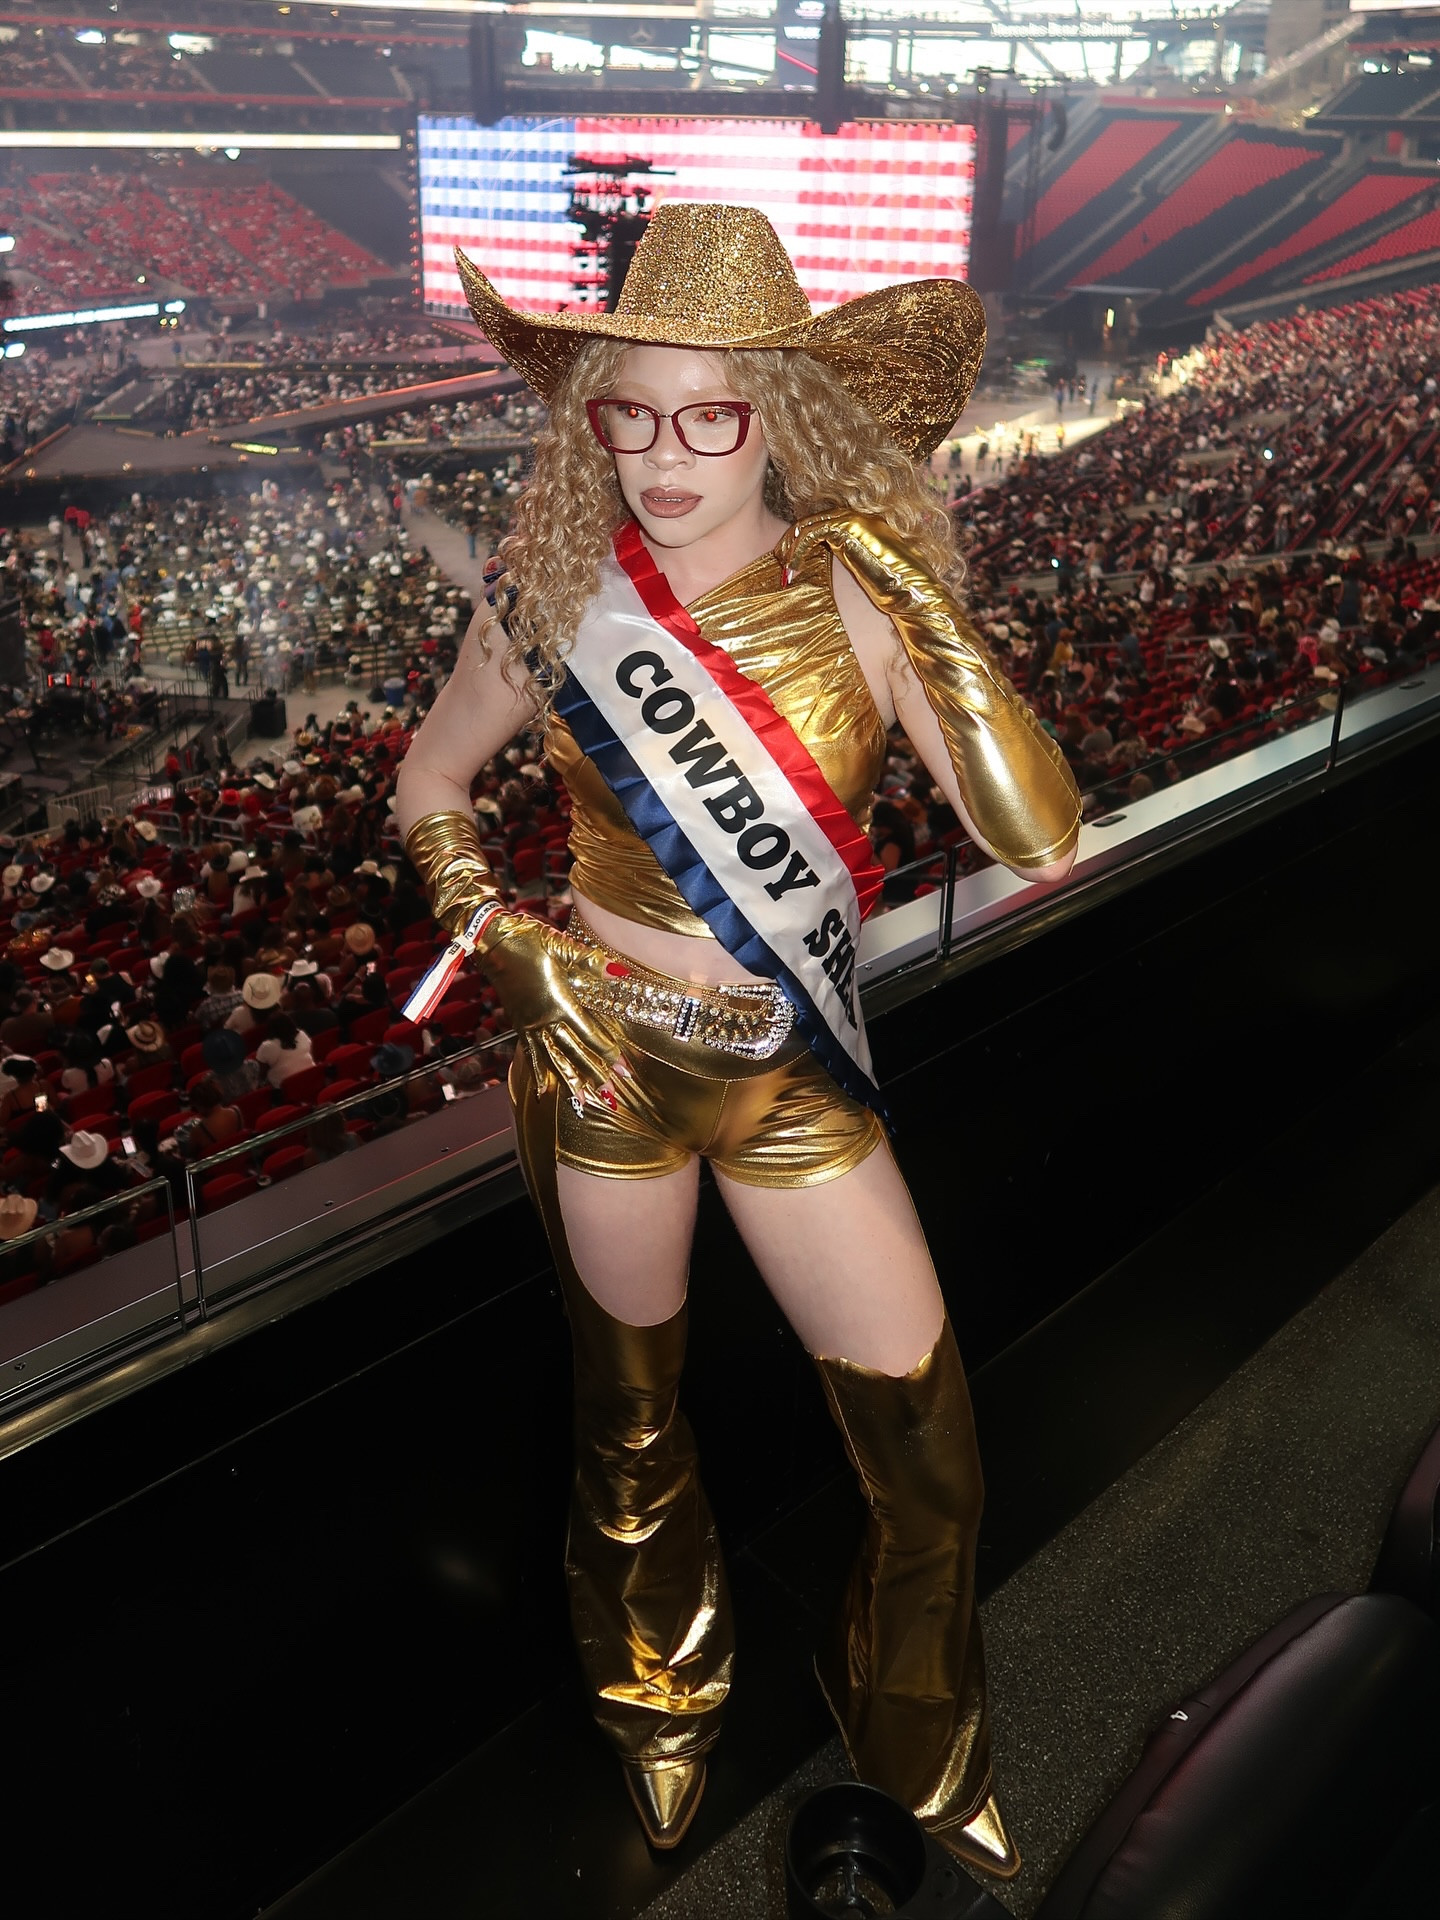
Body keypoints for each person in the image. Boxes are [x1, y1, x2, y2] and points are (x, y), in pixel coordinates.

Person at [394, 204, 1080, 1873]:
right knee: (629, 1425)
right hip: (602, 1063)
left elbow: (1043, 836)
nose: (661, 453)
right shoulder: (552, 593)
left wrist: (925, 606)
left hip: (792, 1083)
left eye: (709, 412)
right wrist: (505, 942)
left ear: (786, 409)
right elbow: (425, 786)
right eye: (628, 413)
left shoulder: (855, 591)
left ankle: (922, 1740)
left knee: (930, 1459)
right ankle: (657, 1699)